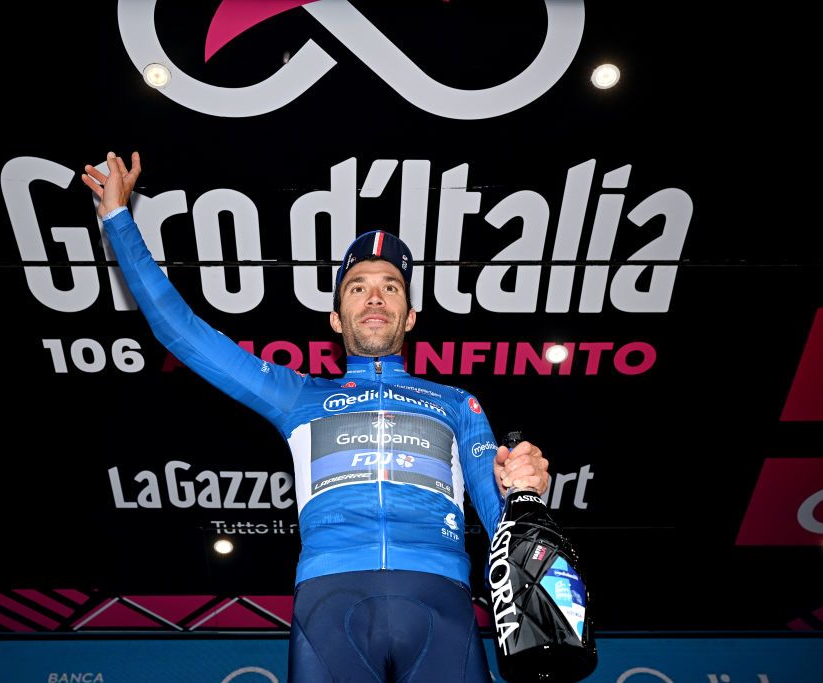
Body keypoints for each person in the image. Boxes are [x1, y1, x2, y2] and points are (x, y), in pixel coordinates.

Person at [82, 151, 549, 682]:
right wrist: (118, 222)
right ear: (335, 315)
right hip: (331, 603)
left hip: (442, 600)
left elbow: (503, 524)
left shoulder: (458, 403)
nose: (375, 296)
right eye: (358, 287)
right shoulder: (297, 395)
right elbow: (181, 333)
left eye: (391, 287)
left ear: (411, 315)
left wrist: (524, 493)